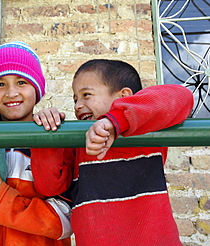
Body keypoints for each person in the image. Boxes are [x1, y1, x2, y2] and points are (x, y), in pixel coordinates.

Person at [31, 59, 194, 245]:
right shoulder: (79, 144)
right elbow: (49, 187)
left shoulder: (144, 132)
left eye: (86, 95)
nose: (77, 105)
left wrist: (115, 121)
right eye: (75, 99)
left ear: (123, 96)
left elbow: (182, 96)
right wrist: (46, 133)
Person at [0, 41, 72, 245]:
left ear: (37, 90)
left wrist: (3, 203)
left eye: (21, 82)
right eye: (0, 84)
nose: (11, 93)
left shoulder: (55, 138)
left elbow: (65, 222)